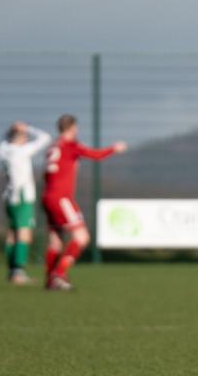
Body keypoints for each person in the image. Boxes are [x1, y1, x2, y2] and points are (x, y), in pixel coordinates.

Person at [42, 114, 127, 291]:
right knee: (81, 237)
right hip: (61, 198)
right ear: (73, 128)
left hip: (48, 196)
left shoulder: (53, 146)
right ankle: (58, 274)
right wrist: (114, 148)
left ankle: (50, 281)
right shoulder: (70, 146)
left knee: (55, 241)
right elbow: (96, 155)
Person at [0, 121, 51, 284]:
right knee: (24, 234)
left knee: (12, 234)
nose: (27, 138)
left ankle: (11, 271)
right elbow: (45, 138)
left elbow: (6, 142)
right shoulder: (21, 151)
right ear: (20, 137)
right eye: (25, 136)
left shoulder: (3, 150)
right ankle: (18, 273)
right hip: (22, 196)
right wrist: (28, 128)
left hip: (9, 196)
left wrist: (13, 131)